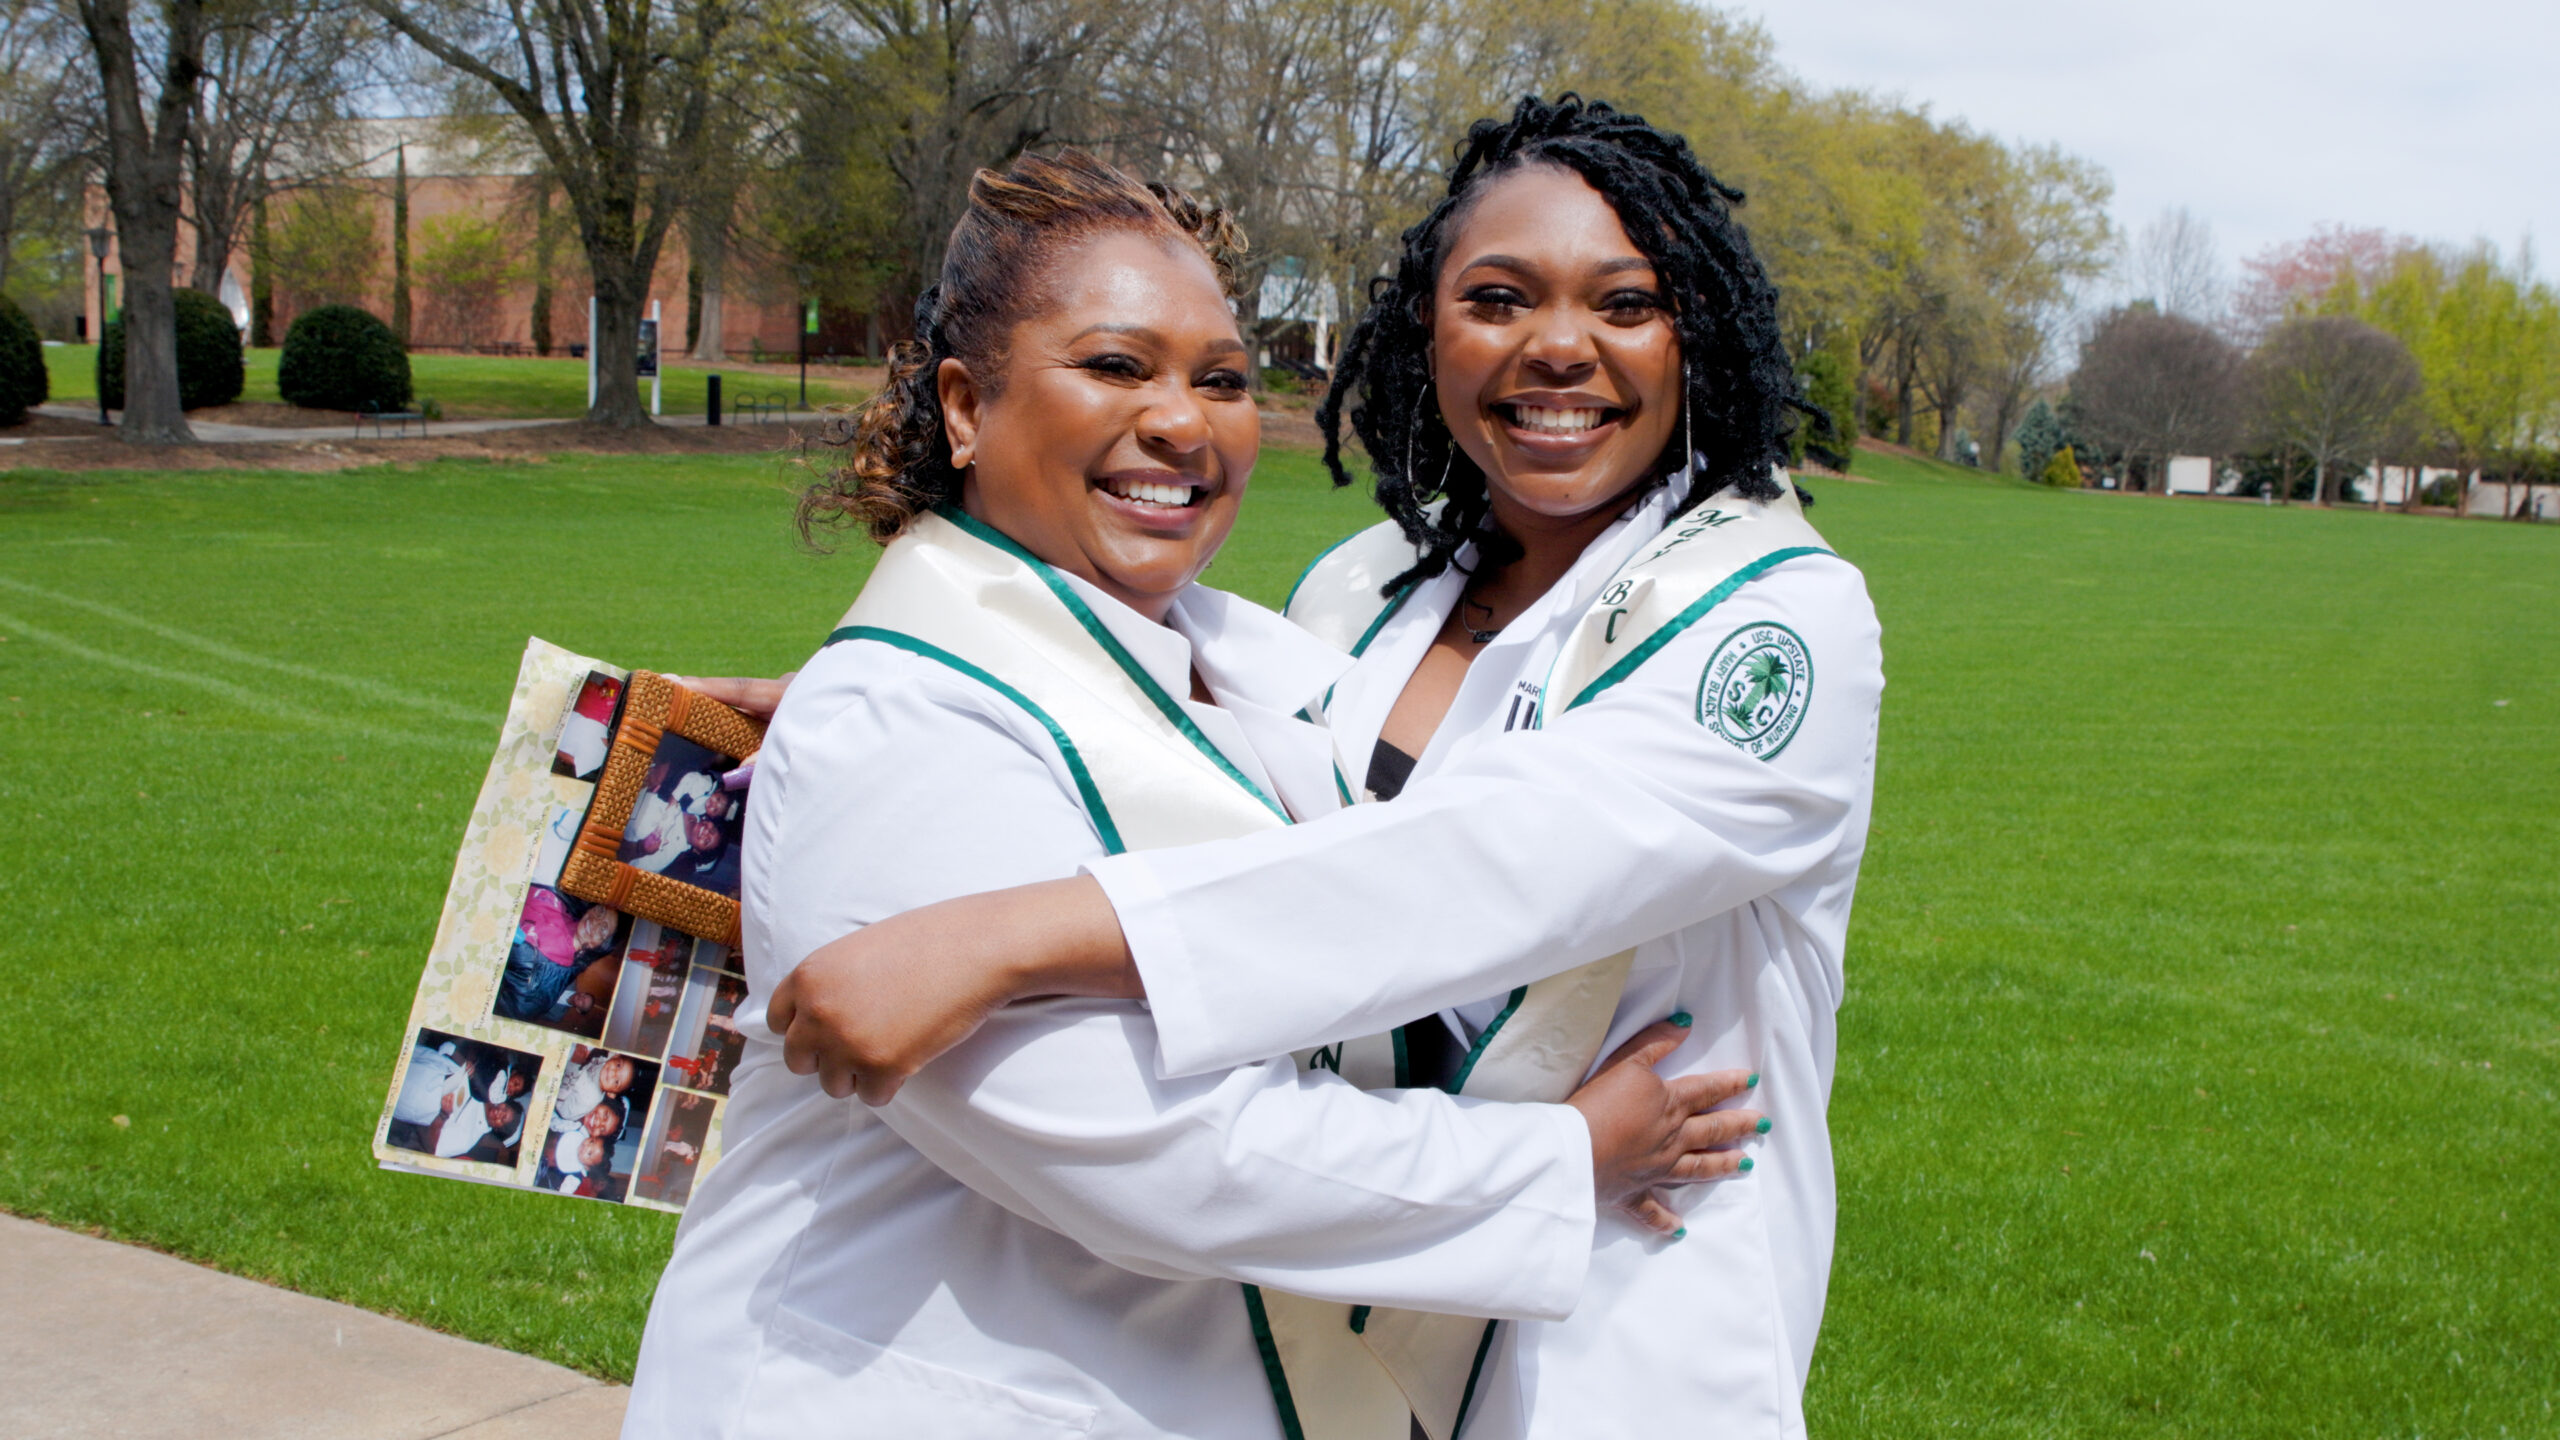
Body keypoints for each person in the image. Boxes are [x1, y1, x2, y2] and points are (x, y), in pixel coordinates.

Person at [760, 95, 1882, 1439]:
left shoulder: (1776, 621)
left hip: (1626, 1314)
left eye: (1627, 304)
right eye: (1500, 297)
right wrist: (881, 706)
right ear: (1430, 332)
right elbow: (1186, 762)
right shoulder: (1362, 594)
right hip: (1342, 1318)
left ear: (1694, 333)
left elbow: (1482, 869)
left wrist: (1013, 932)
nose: (1561, 348)